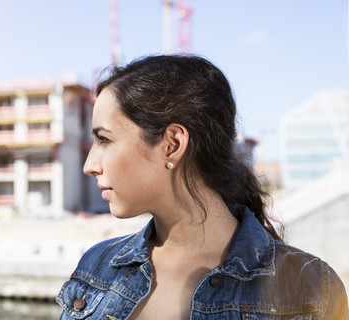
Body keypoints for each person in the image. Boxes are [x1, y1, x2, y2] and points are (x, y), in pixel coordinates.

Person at [56, 55, 349, 319]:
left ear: (172, 144)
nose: (90, 164)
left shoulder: (312, 288)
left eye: (104, 139)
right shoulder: (97, 267)